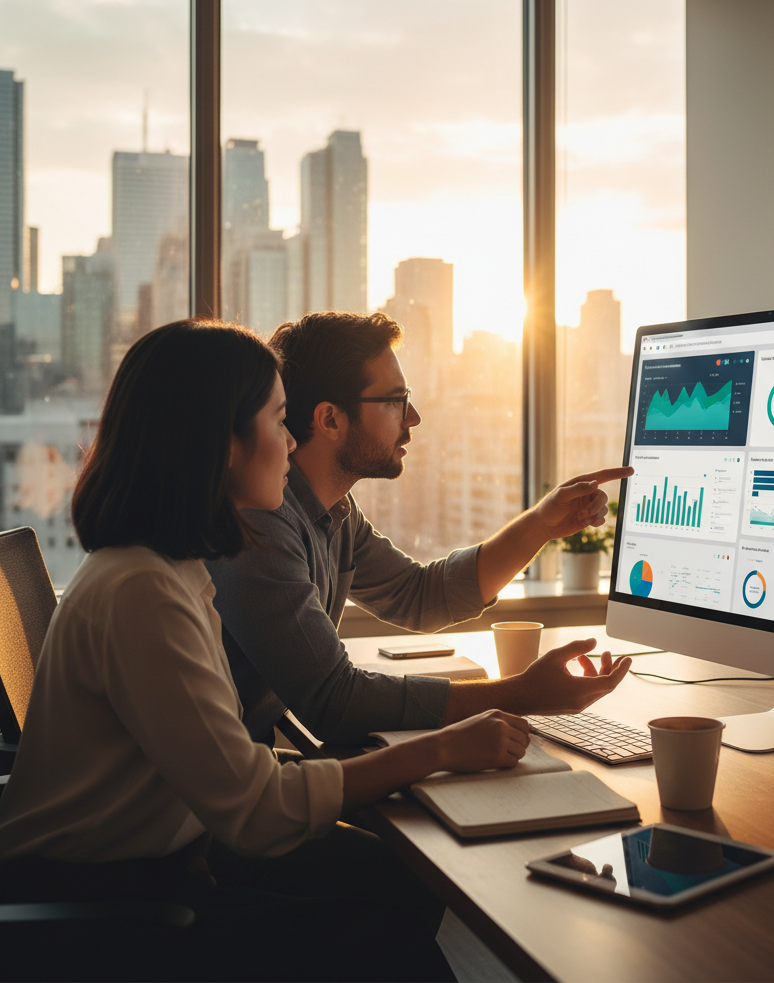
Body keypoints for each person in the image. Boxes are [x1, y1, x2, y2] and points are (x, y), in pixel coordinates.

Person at [0, 319, 531, 982]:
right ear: (223, 442)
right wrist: (443, 748)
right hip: (115, 906)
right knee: (395, 943)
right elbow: (254, 812)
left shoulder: (172, 569)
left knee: (398, 881)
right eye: (279, 420)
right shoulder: (144, 593)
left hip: (158, 860)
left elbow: (224, 763)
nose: (290, 441)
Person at [208, 310, 635, 749]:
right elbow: (335, 701)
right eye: (394, 400)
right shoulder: (261, 524)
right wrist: (519, 694)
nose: (412, 417)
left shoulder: (336, 512)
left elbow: (422, 595)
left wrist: (541, 525)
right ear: (330, 419)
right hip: (211, 802)